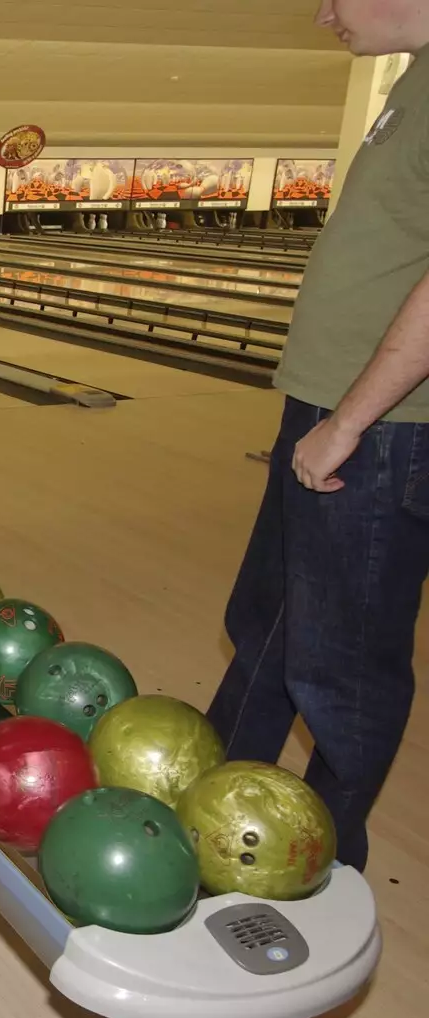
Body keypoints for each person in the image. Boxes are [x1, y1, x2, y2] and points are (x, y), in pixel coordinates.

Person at [207, 0, 429, 871]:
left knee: (344, 667)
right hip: (336, 412)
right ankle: (218, 801)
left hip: (382, 430)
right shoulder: (412, 76)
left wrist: (350, 420)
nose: (321, 11)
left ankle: (323, 860)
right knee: (267, 623)